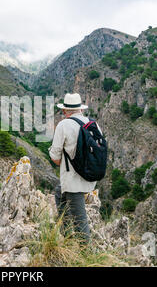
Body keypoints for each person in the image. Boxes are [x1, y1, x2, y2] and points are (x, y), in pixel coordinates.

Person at [48, 93, 99, 243]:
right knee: (59, 192)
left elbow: (55, 157)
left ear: (64, 111)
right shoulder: (92, 123)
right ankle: (66, 232)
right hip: (91, 175)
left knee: (80, 220)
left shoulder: (63, 125)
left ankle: (86, 256)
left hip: (73, 181)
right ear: (80, 109)